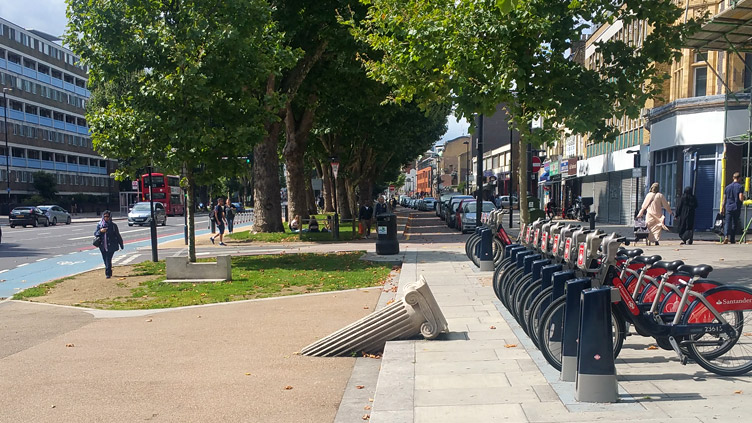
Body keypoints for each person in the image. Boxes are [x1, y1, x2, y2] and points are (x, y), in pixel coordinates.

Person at [94, 210, 124, 279]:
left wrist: (121, 244)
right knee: (105, 259)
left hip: (111, 245)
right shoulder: (100, 225)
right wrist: (100, 231)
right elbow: (95, 234)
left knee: (108, 259)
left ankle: (108, 273)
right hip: (102, 246)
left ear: (110, 217)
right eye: (104, 216)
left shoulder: (113, 226)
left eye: (107, 216)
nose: (106, 218)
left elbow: (117, 235)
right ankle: (108, 270)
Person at [722, 172, 745, 244]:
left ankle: (726, 236)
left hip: (728, 207)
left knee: (727, 222)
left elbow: (724, 199)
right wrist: (745, 198)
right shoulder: (740, 187)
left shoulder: (727, 187)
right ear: (739, 178)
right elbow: (740, 197)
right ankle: (732, 239)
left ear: (733, 178)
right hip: (736, 207)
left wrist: (722, 207)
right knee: (734, 223)